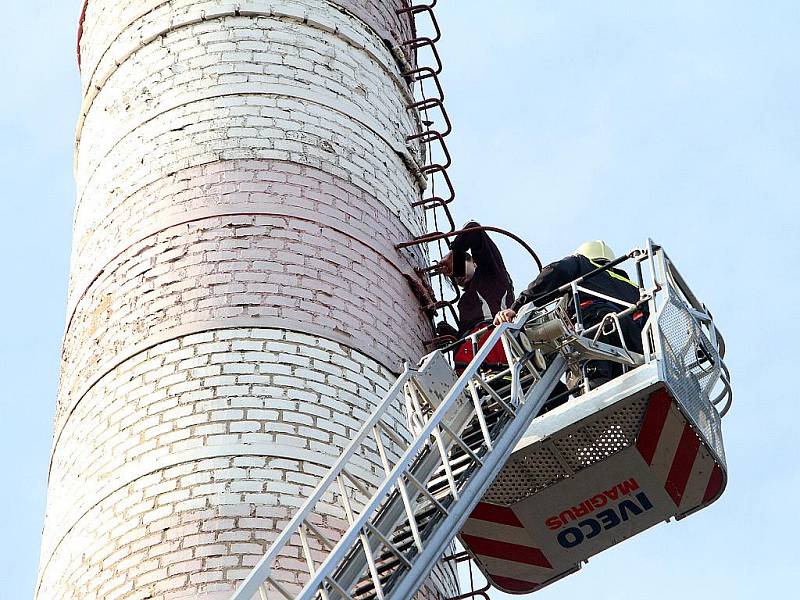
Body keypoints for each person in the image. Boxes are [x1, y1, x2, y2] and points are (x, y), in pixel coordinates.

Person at [495, 240, 648, 389]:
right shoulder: (634, 288)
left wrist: (518, 306)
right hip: (631, 338)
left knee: (593, 384)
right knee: (626, 384)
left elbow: (555, 272)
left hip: (594, 324)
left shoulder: (580, 263)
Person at [436, 221, 515, 371]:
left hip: (497, 343)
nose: (457, 277)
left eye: (458, 268)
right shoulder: (466, 301)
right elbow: (470, 330)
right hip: (472, 359)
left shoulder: (492, 275)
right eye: (454, 277)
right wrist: (453, 335)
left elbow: (474, 230)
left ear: (474, 262)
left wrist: (455, 254)